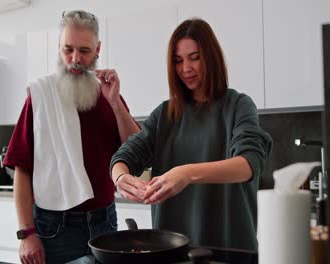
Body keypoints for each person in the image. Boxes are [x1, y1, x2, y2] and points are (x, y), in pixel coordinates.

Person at [110, 18, 272, 251]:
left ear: (211, 57)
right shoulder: (165, 114)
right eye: (178, 61)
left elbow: (248, 165)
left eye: (194, 57)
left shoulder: (238, 105)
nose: (186, 68)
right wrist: (120, 178)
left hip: (230, 251)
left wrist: (186, 174)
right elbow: (124, 157)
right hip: (172, 254)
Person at [3, 10, 140, 264]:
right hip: (54, 227)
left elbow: (138, 149)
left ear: (98, 49)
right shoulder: (40, 96)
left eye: (84, 51)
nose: (75, 59)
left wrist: (116, 104)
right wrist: (26, 234)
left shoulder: (109, 94)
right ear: (59, 47)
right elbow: (22, 171)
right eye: (68, 50)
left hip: (105, 221)